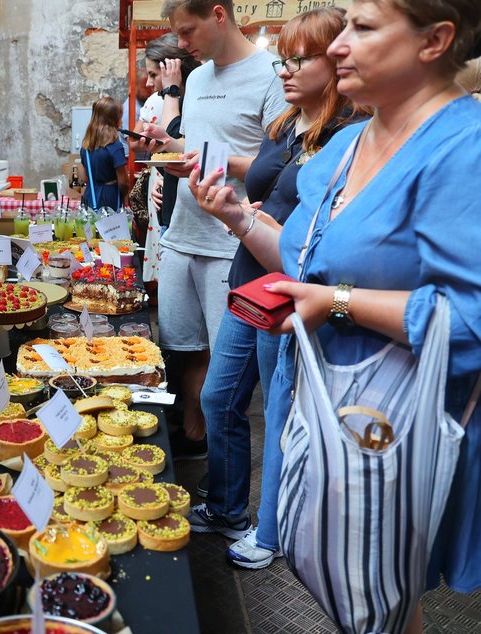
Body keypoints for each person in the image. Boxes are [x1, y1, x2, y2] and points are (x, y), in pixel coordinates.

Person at [189, 0, 481, 629]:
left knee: (382, 586)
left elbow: (469, 319)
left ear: (435, 40)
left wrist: (339, 302)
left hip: (399, 419)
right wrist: (236, 217)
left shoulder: (464, 149)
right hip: (329, 402)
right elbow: (304, 263)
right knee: (366, 586)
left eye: (363, 27)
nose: (340, 45)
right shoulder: (349, 143)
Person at [185, 6, 367, 570]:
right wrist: (249, 210)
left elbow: (322, 234)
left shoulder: (346, 136)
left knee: (284, 414)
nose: (285, 70)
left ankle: (271, 531)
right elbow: (281, 196)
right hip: (251, 277)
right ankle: (227, 508)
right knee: (218, 398)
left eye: (299, 59)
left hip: (291, 292)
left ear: (337, 61)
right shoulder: (288, 123)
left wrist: (252, 218)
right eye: (282, 60)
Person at [144, 0, 286, 460]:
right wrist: (171, 147)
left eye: (188, 31)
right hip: (182, 231)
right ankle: (193, 436)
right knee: (180, 346)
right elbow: (199, 145)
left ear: (219, 15)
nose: (181, 44)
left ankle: (219, 464)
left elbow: (277, 163)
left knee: (226, 374)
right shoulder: (199, 77)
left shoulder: (272, 74)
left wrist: (204, 159)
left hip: (230, 242)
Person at [136, 33, 199, 229]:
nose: (148, 83)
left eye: (153, 74)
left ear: (172, 69)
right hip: (173, 212)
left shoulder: (191, 101)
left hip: (188, 219)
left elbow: (176, 143)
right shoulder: (178, 101)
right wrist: (163, 178)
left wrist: (170, 90)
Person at [80, 96, 130, 211]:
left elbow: (86, 178)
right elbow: (123, 183)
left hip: (90, 197)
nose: (122, 121)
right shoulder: (115, 147)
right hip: (110, 198)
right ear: (114, 120)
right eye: (120, 117)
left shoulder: (85, 147)